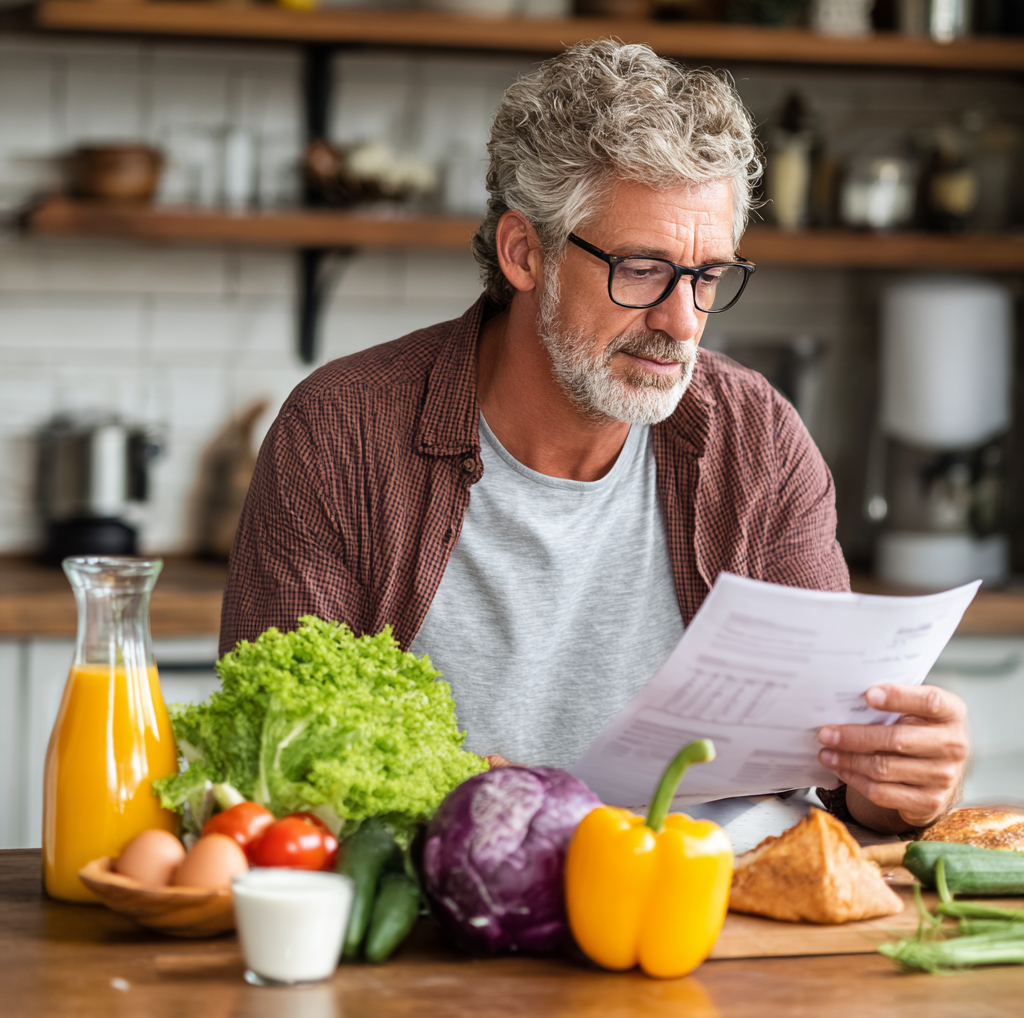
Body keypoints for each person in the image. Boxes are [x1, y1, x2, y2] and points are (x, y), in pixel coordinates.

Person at [221, 41, 967, 833]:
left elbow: (829, 747)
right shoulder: (342, 432)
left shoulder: (759, 441)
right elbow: (279, 756)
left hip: (719, 914)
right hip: (453, 904)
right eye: (642, 269)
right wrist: (442, 789)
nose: (682, 323)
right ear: (524, 252)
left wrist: (886, 782)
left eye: (708, 276)